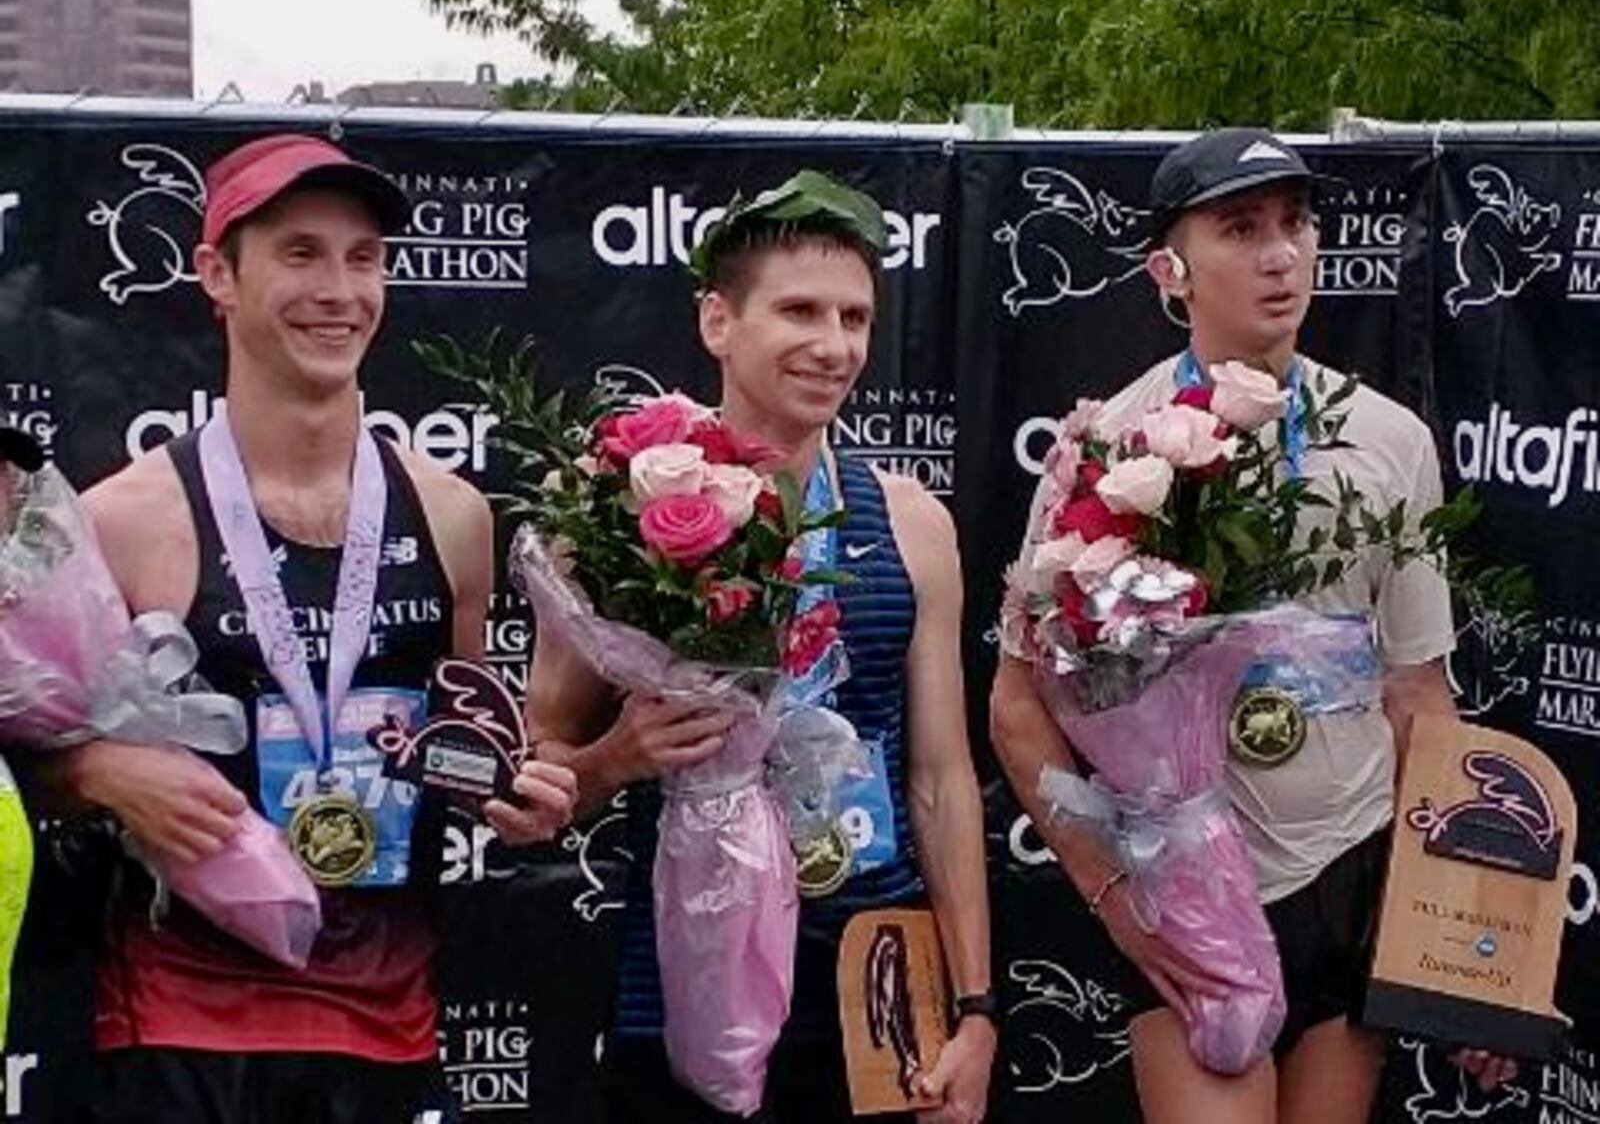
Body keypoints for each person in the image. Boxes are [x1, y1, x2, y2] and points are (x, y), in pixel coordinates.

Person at [40, 133, 576, 1124]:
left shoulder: (454, 518)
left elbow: (458, 752)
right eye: (299, 254)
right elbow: (27, 759)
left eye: (362, 258)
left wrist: (524, 790)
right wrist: (97, 773)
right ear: (216, 274)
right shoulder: (120, 521)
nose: (339, 289)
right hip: (181, 1025)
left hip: (387, 1022)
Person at [989, 126, 1515, 1124]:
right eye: (1240, 228)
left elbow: (1418, 696)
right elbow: (1018, 707)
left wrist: (1455, 955)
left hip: (1348, 867)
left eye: (1294, 222)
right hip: (1184, 888)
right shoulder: (1106, 448)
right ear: (1169, 270)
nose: (1280, 252)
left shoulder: (1390, 441)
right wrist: (1113, 901)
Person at [528, 170, 995, 1124]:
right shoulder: (614, 517)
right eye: (800, 311)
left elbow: (942, 777)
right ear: (716, 323)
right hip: (687, 974)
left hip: (880, 969)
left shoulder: (912, 522)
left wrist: (977, 1007)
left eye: (855, 318)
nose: (835, 346)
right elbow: (541, 771)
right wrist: (619, 756)